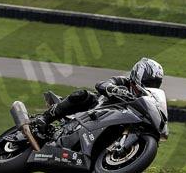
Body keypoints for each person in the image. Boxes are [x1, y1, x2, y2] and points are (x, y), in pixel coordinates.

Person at [34, 57, 164, 133]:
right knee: (82, 95)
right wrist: (115, 89)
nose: (151, 85)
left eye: (155, 83)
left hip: (113, 122)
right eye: (149, 82)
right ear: (139, 74)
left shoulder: (144, 99)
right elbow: (101, 84)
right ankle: (45, 118)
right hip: (94, 109)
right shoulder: (123, 81)